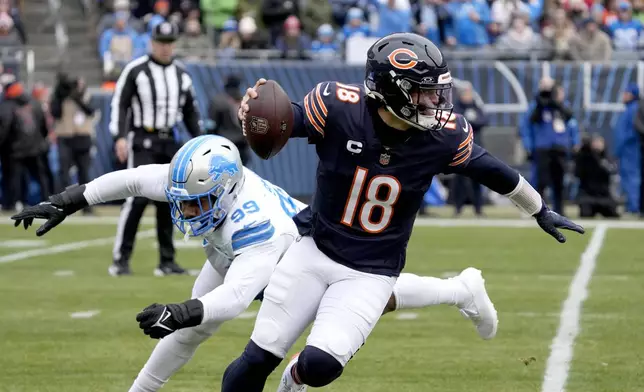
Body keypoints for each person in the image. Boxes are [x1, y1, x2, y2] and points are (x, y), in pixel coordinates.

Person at [224, 33, 584, 392]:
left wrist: (540, 210)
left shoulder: (444, 136)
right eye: (422, 91)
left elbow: (494, 171)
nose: (433, 101)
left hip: (371, 272)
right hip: (314, 249)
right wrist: (255, 113)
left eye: (436, 91)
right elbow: (289, 118)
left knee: (320, 365)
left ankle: (295, 380)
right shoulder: (340, 107)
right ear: (390, 90)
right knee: (256, 360)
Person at [12, 134, 497, 392]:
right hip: (240, 257)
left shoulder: (255, 228)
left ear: (224, 192)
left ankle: (460, 291)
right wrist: (68, 199)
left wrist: (183, 309)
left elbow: (235, 299)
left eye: (198, 203)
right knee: (189, 334)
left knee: (374, 298)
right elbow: (135, 180)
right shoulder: (198, 181)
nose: (187, 211)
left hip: (296, 258)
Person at [110, 21, 202, 277]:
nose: (165, 48)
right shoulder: (136, 70)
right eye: (161, 43)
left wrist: (202, 141)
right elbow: (120, 104)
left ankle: (167, 261)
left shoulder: (182, 75)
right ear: (152, 43)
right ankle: (121, 259)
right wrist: (118, 136)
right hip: (142, 139)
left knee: (168, 200)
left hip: (169, 141)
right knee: (136, 198)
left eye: (169, 43)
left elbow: (191, 112)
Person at [521, 79, 579, 215]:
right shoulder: (536, 105)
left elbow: (570, 119)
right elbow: (529, 123)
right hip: (543, 147)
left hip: (559, 147)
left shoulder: (561, 106)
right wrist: (528, 146)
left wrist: (556, 103)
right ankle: (537, 210)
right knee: (541, 181)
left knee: (558, 181)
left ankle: (559, 210)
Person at [0, 80, 50, 210]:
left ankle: (13, 203)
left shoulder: (7, 105)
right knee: (40, 176)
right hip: (35, 147)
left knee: (13, 177)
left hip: (15, 149)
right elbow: (44, 126)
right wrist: (41, 140)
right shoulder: (35, 103)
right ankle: (48, 200)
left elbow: (4, 127)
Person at [451, 81, 488, 217]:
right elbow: (456, 122)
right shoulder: (456, 107)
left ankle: (478, 208)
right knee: (459, 180)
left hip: (475, 147)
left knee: (477, 179)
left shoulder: (476, 106)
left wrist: (470, 122)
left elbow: (484, 120)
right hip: (460, 148)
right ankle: (458, 208)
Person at [207, 74, 251, 165]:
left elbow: (211, 126)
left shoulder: (218, 101)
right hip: (242, 148)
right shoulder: (247, 102)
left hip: (223, 148)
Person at [575, 134, 620, 218]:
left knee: (613, 214)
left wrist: (600, 160)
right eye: (595, 142)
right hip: (588, 196)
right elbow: (578, 173)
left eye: (600, 142)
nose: (597, 145)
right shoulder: (585, 158)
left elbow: (611, 171)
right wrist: (585, 150)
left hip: (604, 196)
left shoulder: (607, 159)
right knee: (585, 213)